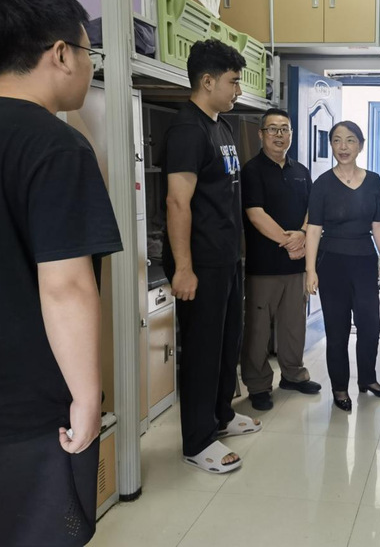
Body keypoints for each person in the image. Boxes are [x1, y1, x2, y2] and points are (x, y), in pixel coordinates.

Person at [0, 0, 122, 546]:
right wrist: (86, 398)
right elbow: (66, 287)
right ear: (61, 53)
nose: (90, 65)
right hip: (26, 406)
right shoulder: (55, 148)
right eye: (88, 51)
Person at [163, 39, 260, 475]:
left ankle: (221, 414)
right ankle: (198, 440)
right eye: (233, 82)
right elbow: (177, 202)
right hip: (200, 262)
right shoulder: (188, 129)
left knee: (227, 342)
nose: (238, 90)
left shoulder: (221, 126)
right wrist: (183, 268)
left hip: (227, 258)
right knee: (202, 350)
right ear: (207, 81)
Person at [305, 121, 380, 412]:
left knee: (370, 326)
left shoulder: (374, 181)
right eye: (337, 140)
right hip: (331, 263)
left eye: (350, 140)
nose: (343, 147)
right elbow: (314, 229)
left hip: (365, 262)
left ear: (361, 145)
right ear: (331, 145)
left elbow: (378, 223)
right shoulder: (322, 184)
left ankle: (368, 379)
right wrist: (310, 270)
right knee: (337, 329)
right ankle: (340, 387)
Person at [239, 107, 321, 411]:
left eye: (284, 129)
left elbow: (313, 209)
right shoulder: (252, 170)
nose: (279, 135)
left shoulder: (301, 171)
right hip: (263, 266)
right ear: (261, 134)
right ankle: (258, 385)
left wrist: (303, 233)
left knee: (293, 325)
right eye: (272, 129)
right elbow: (255, 214)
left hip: (296, 265)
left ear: (291, 134)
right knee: (258, 328)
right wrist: (289, 242)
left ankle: (293, 375)